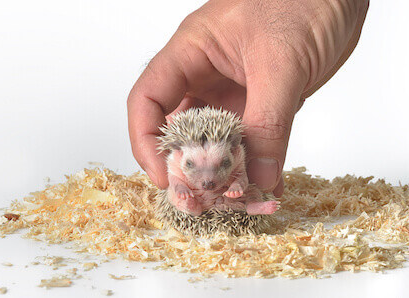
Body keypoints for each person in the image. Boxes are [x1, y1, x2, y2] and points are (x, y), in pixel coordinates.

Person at [127, 0, 369, 197]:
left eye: (222, 163)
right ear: (177, 154)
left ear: (236, 150)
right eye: (190, 166)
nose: (208, 181)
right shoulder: (182, 157)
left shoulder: (237, 156)